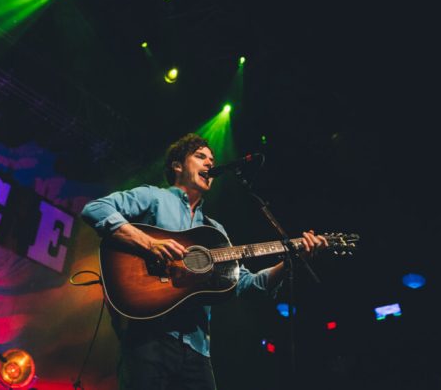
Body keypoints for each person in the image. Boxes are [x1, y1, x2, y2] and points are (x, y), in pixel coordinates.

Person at [81, 133, 327, 390]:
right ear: (178, 166)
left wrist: (290, 262)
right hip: (148, 338)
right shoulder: (154, 197)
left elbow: (245, 284)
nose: (210, 164)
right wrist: (149, 243)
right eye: (200, 157)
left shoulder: (215, 230)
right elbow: (95, 209)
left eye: (212, 159)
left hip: (197, 349)